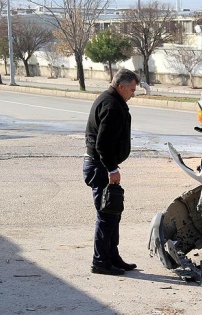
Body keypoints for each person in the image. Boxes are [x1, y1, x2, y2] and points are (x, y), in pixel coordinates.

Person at [83, 69, 140, 276]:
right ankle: (100, 261)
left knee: (113, 212)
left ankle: (112, 257)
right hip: (100, 166)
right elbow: (103, 144)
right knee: (106, 214)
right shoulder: (112, 105)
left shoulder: (110, 100)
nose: (133, 94)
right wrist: (112, 169)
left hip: (100, 165)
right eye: (132, 90)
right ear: (121, 87)